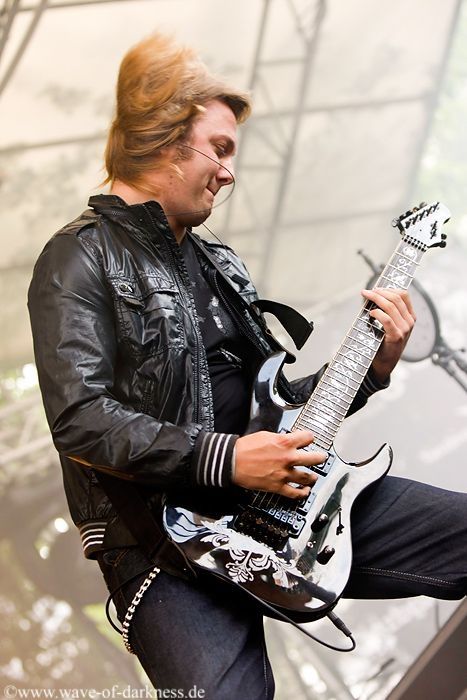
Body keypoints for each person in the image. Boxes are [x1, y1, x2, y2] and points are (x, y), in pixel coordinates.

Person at [28, 33, 466, 699]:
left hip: (291, 512)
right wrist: (226, 459)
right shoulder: (79, 257)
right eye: (220, 148)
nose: (229, 173)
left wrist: (372, 370)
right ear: (162, 137)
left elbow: (278, 407)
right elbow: (82, 419)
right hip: (162, 549)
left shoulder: (219, 263)